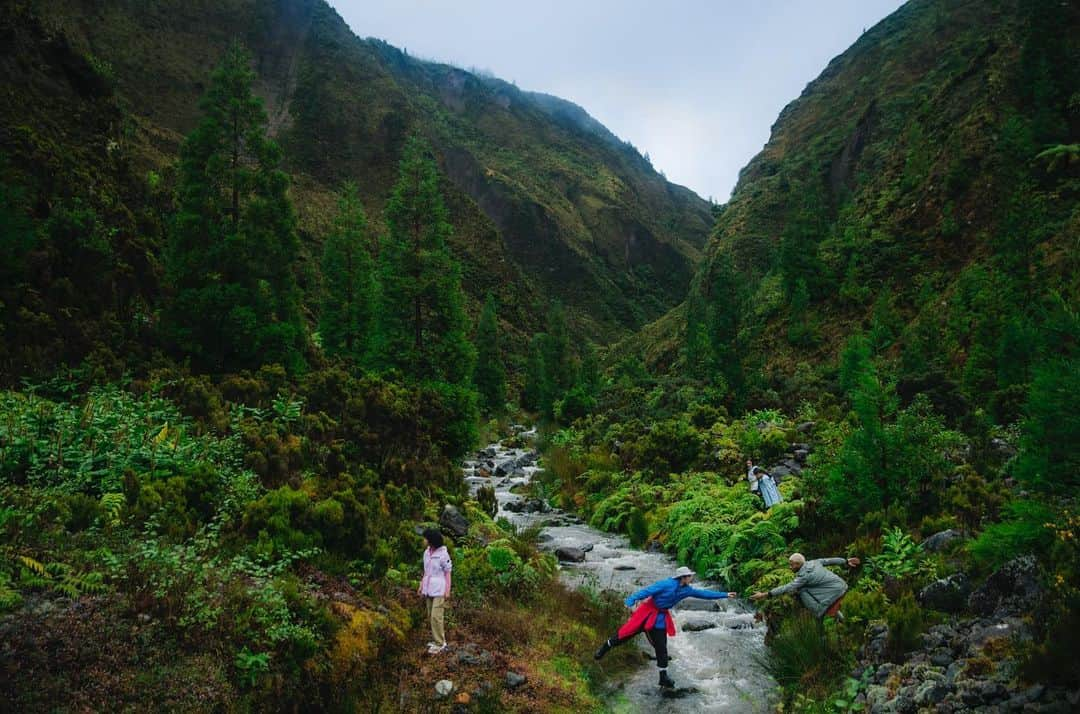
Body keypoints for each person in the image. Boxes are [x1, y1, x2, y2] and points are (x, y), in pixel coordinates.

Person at [594, 566, 736, 689]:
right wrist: (631, 600)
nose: (691, 578)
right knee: (625, 634)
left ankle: (663, 678)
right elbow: (647, 591)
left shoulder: (687, 590)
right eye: (689, 576)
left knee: (662, 648)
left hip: (660, 618)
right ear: (683, 577)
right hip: (646, 613)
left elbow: (703, 594)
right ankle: (603, 649)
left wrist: (724, 595)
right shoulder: (666, 584)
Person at [751, 553, 860, 620]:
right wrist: (845, 561)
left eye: (791, 564)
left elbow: (787, 587)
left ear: (798, 564)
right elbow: (829, 560)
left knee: (801, 590)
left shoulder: (804, 577)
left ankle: (820, 611)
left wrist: (765, 594)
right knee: (806, 587)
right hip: (842, 585)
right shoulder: (814, 562)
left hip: (833, 593)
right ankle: (840, 616)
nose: (790, 567)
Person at [419, 528, 452, 654]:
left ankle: (441, 643)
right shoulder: (427, 553)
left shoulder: (443, 555)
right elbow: (426, 571)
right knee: (430, 615)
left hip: (439, 589)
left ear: (431, 540)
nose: (424, 540)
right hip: (429, 588)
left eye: (425, 538)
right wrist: (421, 585)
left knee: (436, 617)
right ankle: (436, 640)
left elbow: (448, 573)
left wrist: (447, 590)